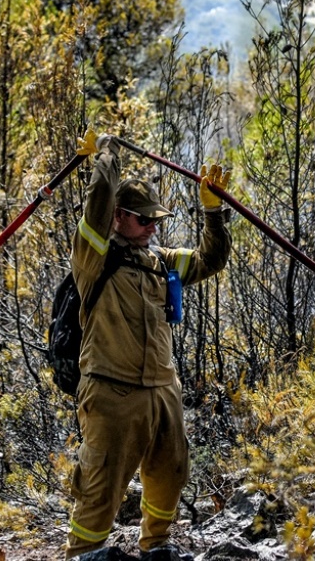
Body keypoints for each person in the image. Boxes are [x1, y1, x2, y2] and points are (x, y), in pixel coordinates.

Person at [65, 135, 232, 561]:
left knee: (171, 473)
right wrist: (106, 159)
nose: (152, 227)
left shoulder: (159, 260)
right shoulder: (94, 257)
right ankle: (85, 552)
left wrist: (213, 211)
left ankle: (156, 544)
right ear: (119, 218)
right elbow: (97, 204)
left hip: (162, 389)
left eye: (155, 220)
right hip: (111, 390)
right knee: (102, 480)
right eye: (143, 220)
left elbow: (211, 260)